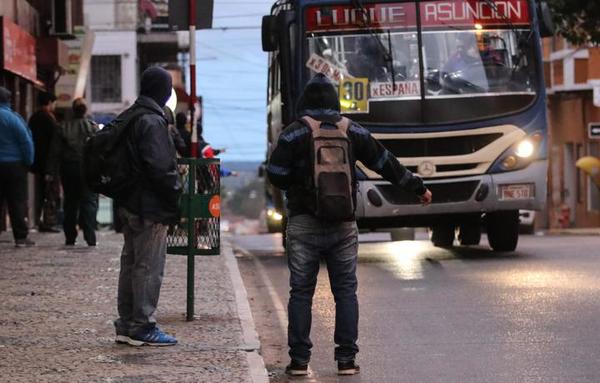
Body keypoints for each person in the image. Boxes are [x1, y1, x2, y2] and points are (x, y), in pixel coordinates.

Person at [267, 74, 432, 376]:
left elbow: (276, 173)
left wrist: (300, 185)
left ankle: (300, 361)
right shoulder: (352, 130)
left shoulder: (293, 133)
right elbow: (384, 162)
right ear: (334, 101)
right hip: (343, 225)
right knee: (345, 292)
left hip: (303, 223)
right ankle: (346, 360)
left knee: (301, 292)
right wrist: (417, 187)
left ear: (306, 101)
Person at [113, 66, 181, 347]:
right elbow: (160, 168)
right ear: (163, 91)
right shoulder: (152, 122)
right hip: (149, 205)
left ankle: (127, 323)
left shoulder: (130, 115)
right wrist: (175, 196)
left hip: (128, 202)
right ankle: (142, 325)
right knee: (148, 266)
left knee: (130, 263)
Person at [46, 98, 99, 246]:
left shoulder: (63, 127)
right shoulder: (92, 127)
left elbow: (55, 152)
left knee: (70, 203)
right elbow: (100, 151)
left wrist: (50, 171)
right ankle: (90, 237)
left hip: (69, 169)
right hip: (88, 169)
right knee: (89, 202)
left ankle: (70, 236)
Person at [0, 87, 35, 247]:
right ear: (8, 100)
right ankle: (20, 237)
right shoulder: (14, 118)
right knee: (16, 202)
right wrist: (28, 161)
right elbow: (26, 141)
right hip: (14, 166)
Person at [29, 92, 61, 232]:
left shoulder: (33, 118)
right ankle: (48, 222)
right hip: (48, 164)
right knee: (50, 194)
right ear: (49, 102)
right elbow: (54, 145)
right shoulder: (49, 119)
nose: (54, 106)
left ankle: (39, 221)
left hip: (36, 162)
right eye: (53, 102)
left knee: (40, 194)